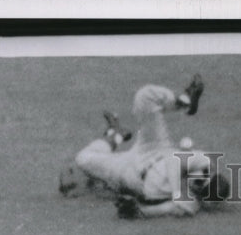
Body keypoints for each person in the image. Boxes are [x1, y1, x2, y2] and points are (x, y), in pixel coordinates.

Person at [60, 75, 229, 216]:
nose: (197, 182)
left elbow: (166, 209)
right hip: (155, 148)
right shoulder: (202, 162)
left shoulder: (191, 204)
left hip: (132, 175)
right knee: (145, 96)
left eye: (200, 187)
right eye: (204, 178)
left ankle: (115, 134)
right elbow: (173, 162)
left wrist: (138, 211)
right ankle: (184, 100)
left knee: (82, 159)